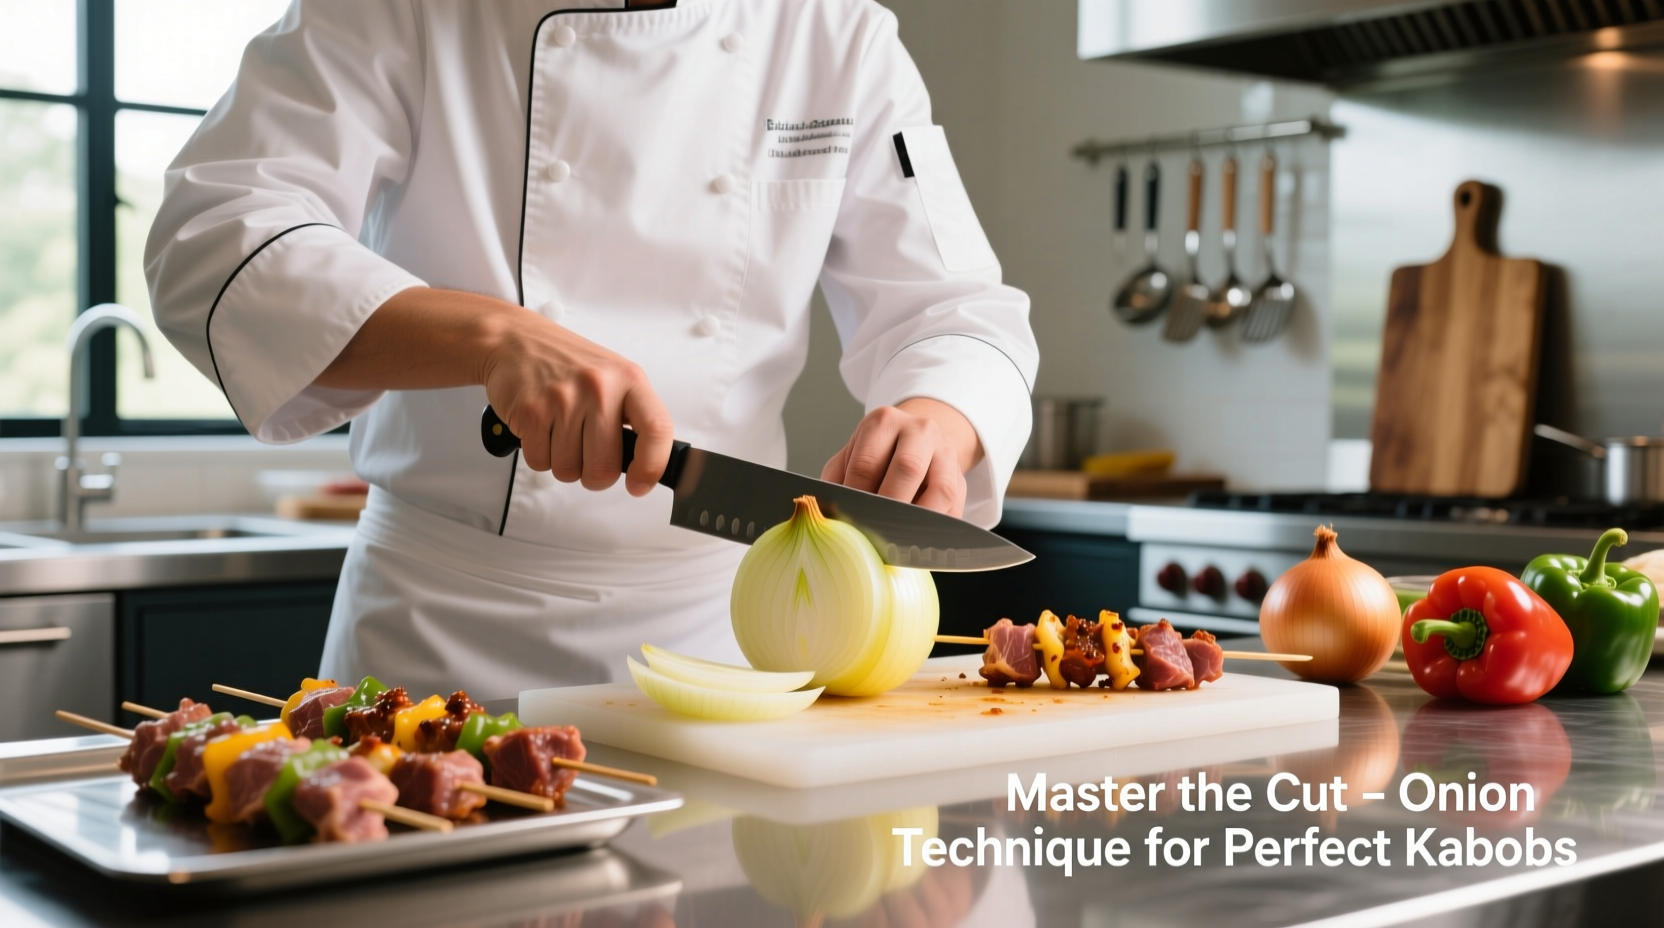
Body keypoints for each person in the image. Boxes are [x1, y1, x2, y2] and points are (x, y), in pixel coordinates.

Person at [145, 0, 1037, 699]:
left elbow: (958, 306)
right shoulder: (399, 7)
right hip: (440, 637)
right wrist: (493, 336)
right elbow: (213, 240)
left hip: (723, 643)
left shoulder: (835, 33)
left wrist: (938, 418)